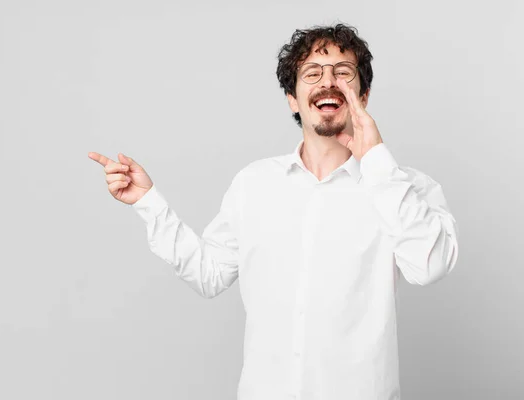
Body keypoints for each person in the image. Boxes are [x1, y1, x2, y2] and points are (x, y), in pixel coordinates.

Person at [88, 23, 458, 400]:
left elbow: (430, 266)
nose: (328, 82)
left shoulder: (403, 186)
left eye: (343, 73)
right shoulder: (253, 184)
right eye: (312, 73)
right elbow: (208, 275)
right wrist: (149, 202)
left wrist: (377, 160)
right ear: (292, 98)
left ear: (363, 93)